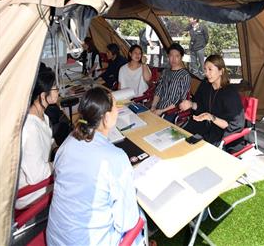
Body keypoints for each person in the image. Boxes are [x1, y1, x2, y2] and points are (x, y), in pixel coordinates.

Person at [46, 87, 143, 246]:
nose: (118, 110)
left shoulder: (68, 142)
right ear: (106, 118)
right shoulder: (115, 159)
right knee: (140, 217)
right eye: (115, 107)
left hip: (56, 238)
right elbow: (127, 222)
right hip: (87, 241)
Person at [180, 54, 245, 149]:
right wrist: (191, 104)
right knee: (182, 137)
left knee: (194, 147)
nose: (207, 73)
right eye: (205, 69)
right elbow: (200, 107)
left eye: (210, 69)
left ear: (221, 71)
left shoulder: (230, 93)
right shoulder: (205, 86)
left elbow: (234, 125)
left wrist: (212, 118)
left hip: (221, 133)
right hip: (205, 126)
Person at [16, 66, 58, 209]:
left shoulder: (42, 116)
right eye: (54, 88)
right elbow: (37, 175)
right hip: (28, 191)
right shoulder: (30, 128)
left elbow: (49, 138)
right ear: (42, 95)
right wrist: (60, 161)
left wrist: (56, 148)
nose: (57, 90)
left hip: (38, 176)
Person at [151, 43, 191, 121]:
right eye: (171, 55)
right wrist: (153, 107)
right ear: (168, 56)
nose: (173, 59)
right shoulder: (165, 72)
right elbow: (158, 91)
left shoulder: (184, 75)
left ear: (181, 57)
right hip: (159, 108)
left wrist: (161, 111)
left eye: (177, 56)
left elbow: (180, 100)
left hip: (172, 111)